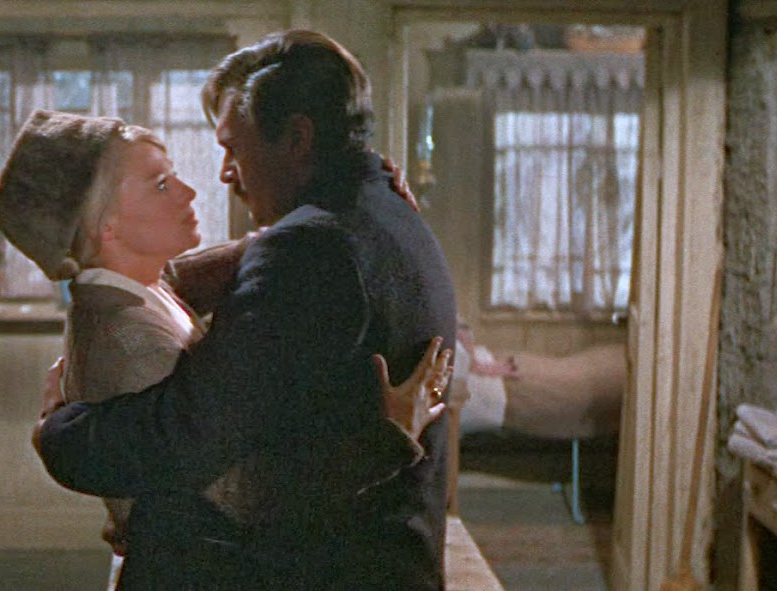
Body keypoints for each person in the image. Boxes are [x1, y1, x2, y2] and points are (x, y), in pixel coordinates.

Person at [30, 30, 459, 590]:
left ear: (297, 138)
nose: (224, 173)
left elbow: (187, 437)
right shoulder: (381, 209)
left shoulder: (307, 247)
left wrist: (59, 433)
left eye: (234, 148)